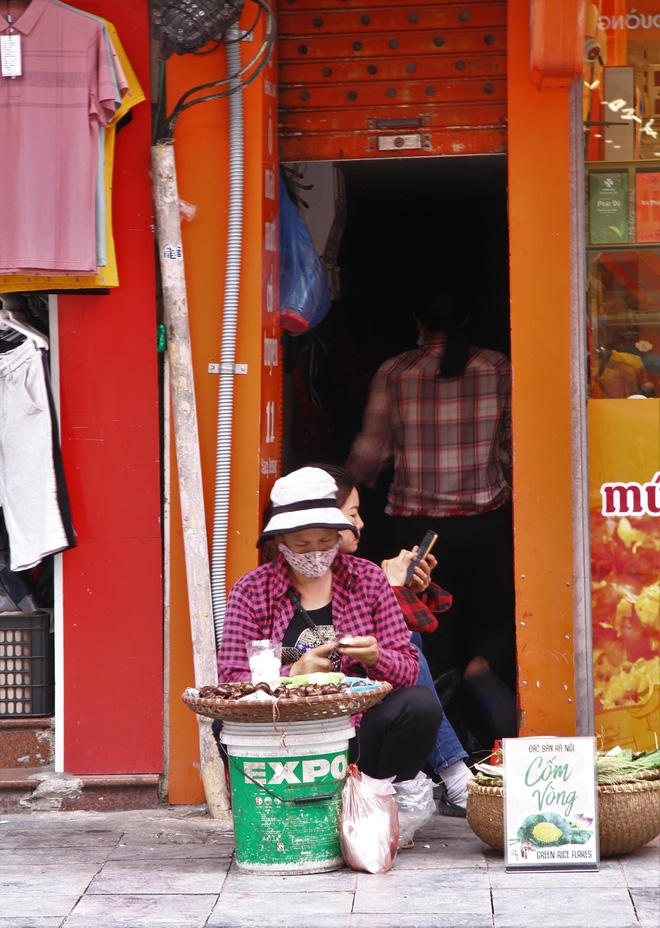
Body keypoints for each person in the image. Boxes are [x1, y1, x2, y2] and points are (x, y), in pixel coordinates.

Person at [348, 288, 517, 755]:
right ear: (466, 315)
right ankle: (482, 674)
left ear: (416, 320)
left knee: (428, 636)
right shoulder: (498, 366)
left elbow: (370, 454)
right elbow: (511, 447)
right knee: (494, 616)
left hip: (416, 534)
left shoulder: (396, 371)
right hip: (485, 524)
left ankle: (446, 749)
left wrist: (343, 496)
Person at [216, 466, 442, 783]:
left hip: (356, 731)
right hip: (282, 736)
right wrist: (290, 675)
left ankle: (378, 796)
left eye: (325, 541)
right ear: (280, 541)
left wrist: (377, 658)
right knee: (221, 724)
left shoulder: (368, 578)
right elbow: (231, 679)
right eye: (301, 544)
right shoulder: (252, 591)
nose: (315, 553)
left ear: (339, 535)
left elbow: (408, 669)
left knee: (420, 705)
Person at [320, 463, 472, 813]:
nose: (360, 524)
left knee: (410, 646)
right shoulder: (264, 587)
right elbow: (348, 657)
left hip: (367, 720)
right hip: (320, 722)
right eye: (353, 514)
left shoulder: (363, 575)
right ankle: (454, 774)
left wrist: (399, 591)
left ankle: (447, 776)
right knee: (407, 640)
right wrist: (393, 591)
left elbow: (396, 659)